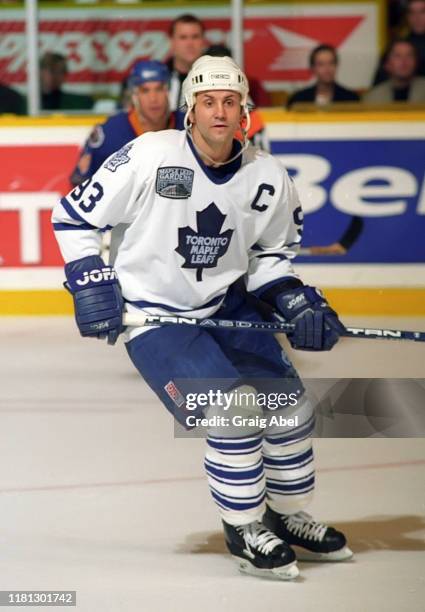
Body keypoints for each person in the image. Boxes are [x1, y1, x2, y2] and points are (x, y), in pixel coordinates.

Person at [52, 55, 352, 580]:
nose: (219, 112)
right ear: (189, 111)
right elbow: (74, 215)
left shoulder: (268, 176)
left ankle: (287, 516)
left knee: (291, 409)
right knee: (234, 413)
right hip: (154, 317)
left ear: (245, 113)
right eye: (207, 102)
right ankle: (244, 526)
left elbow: (270, 257)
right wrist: (88, 275)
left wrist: (293, 299)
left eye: (229, 102)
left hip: (226, 308)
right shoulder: (149, 155)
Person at [70, 60, 174, 186]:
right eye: (145, 91)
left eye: (159, 89)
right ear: (134, 95)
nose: (153, 99)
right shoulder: (109, 132)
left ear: (168, 91)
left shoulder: (188, 126)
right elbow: (80, 182)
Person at [287, 45, 360, 108]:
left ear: (336, 66)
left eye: (331, 63)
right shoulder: (298, 100)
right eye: (321, 64)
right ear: (313, 68)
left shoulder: (351, 99)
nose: (327, 69)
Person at [373, 0, 425, 85]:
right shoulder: (399, 45)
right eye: (411, 12)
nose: (417, 17)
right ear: (406, 16)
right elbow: (380, 80)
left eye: (422, 12)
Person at [166, 14, 205, 112]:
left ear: (203, 41)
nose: (189, 44)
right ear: (172, 42)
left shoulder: (219, 77)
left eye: (195, 37)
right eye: (183, 37)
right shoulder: (157, 80)